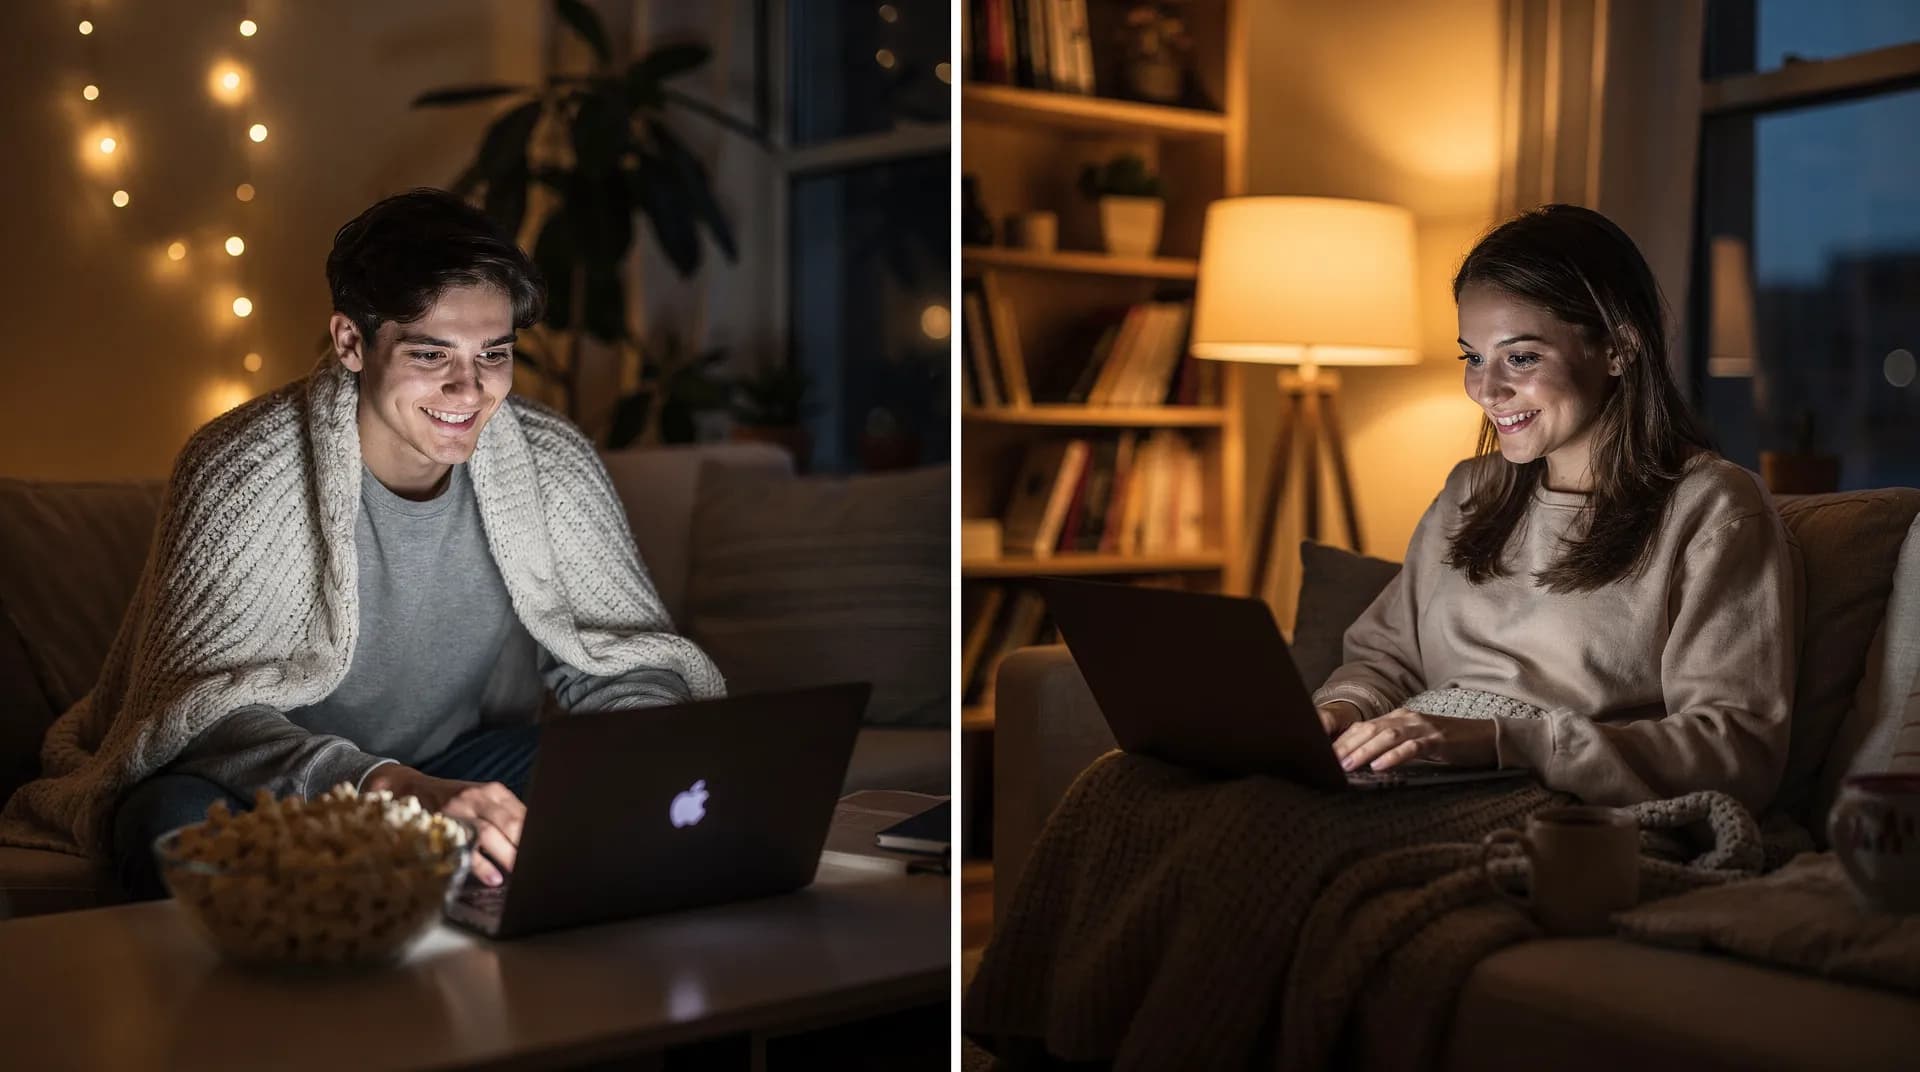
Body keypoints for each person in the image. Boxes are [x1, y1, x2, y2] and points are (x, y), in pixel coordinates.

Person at [0, 188, 725, 898]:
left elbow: (626, 663)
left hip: (450, 763)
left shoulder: (551, 461)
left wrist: (646, 758)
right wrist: (393, 791)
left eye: (493, 354)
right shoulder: (241, 465)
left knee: (638, 767)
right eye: (432, 355)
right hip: (265, 782)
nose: (469, 391)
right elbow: (200, 716)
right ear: (352, 341)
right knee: (170, 824)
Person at [1310, 203, 1798, 817]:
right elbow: (1385, 659)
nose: (1486, 390)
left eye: (1521, 357)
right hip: (1420, 779)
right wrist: (1342, 711)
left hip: (1567, 806)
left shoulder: (1713, 508)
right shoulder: (1470, 492)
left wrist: (1499, 742)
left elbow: (1738, 749)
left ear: (1618, 348)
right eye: (1473, 357)